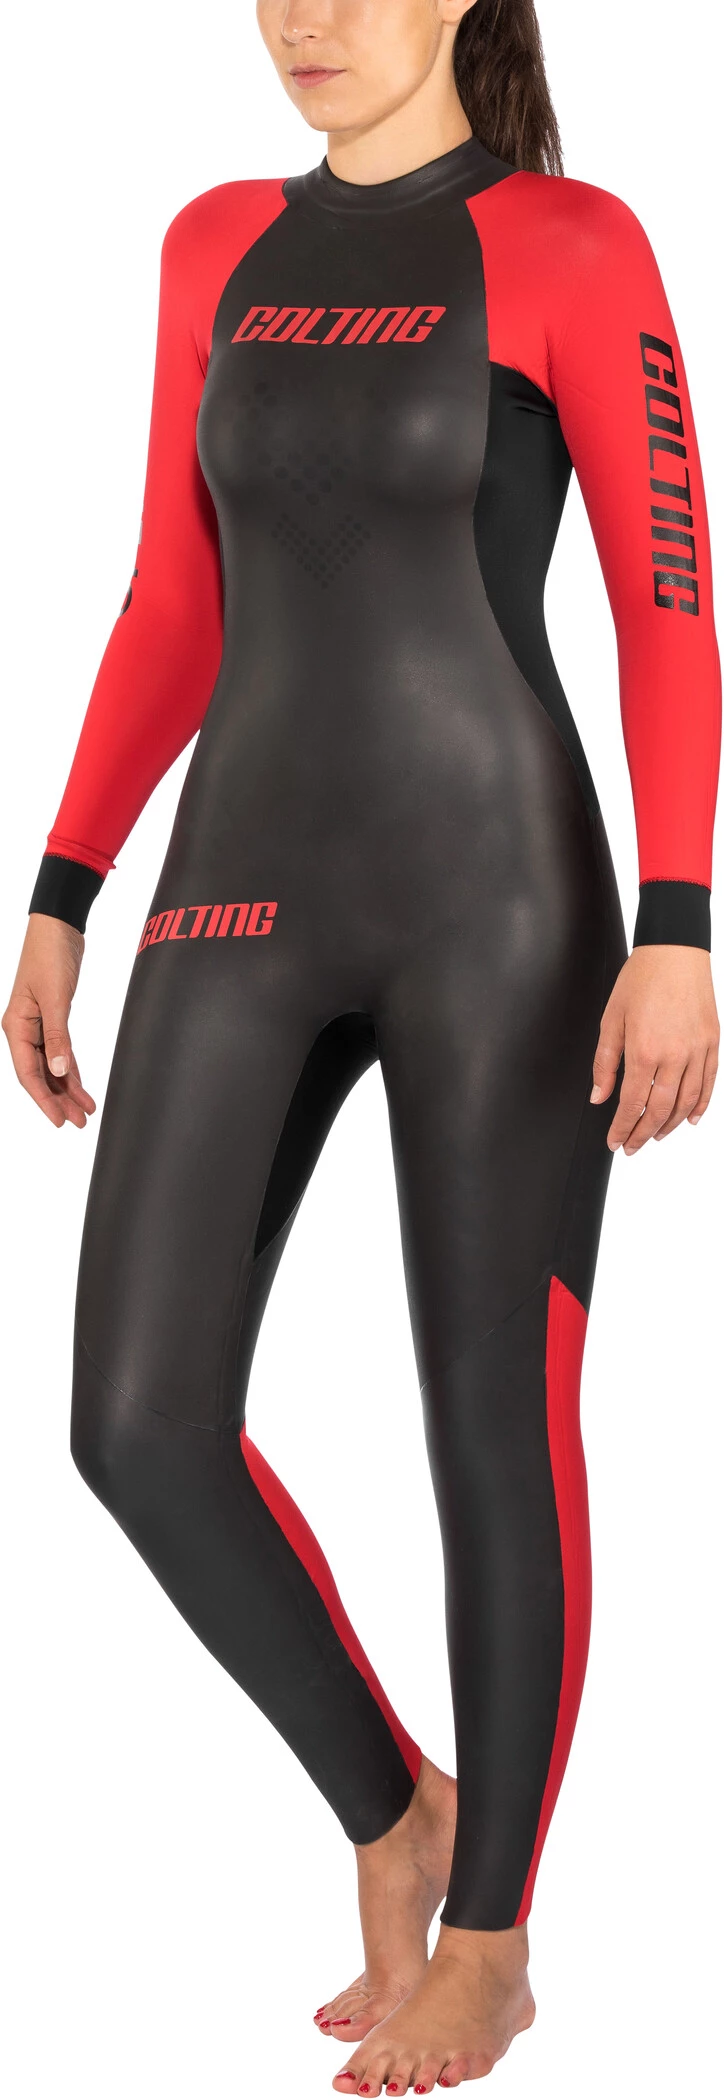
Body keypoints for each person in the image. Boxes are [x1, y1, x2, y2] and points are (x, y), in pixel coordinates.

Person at [3, 0, 720, 2090]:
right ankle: (395, 1806)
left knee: (492, 1417)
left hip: (499, 906)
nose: (304, 18)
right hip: (236, 888)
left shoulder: (572, 244)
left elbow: (669, 603)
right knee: (135, 1425)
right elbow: (173, 596)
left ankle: (490, 1936)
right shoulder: (212, 242)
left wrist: (678, 926)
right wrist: (62, 883)